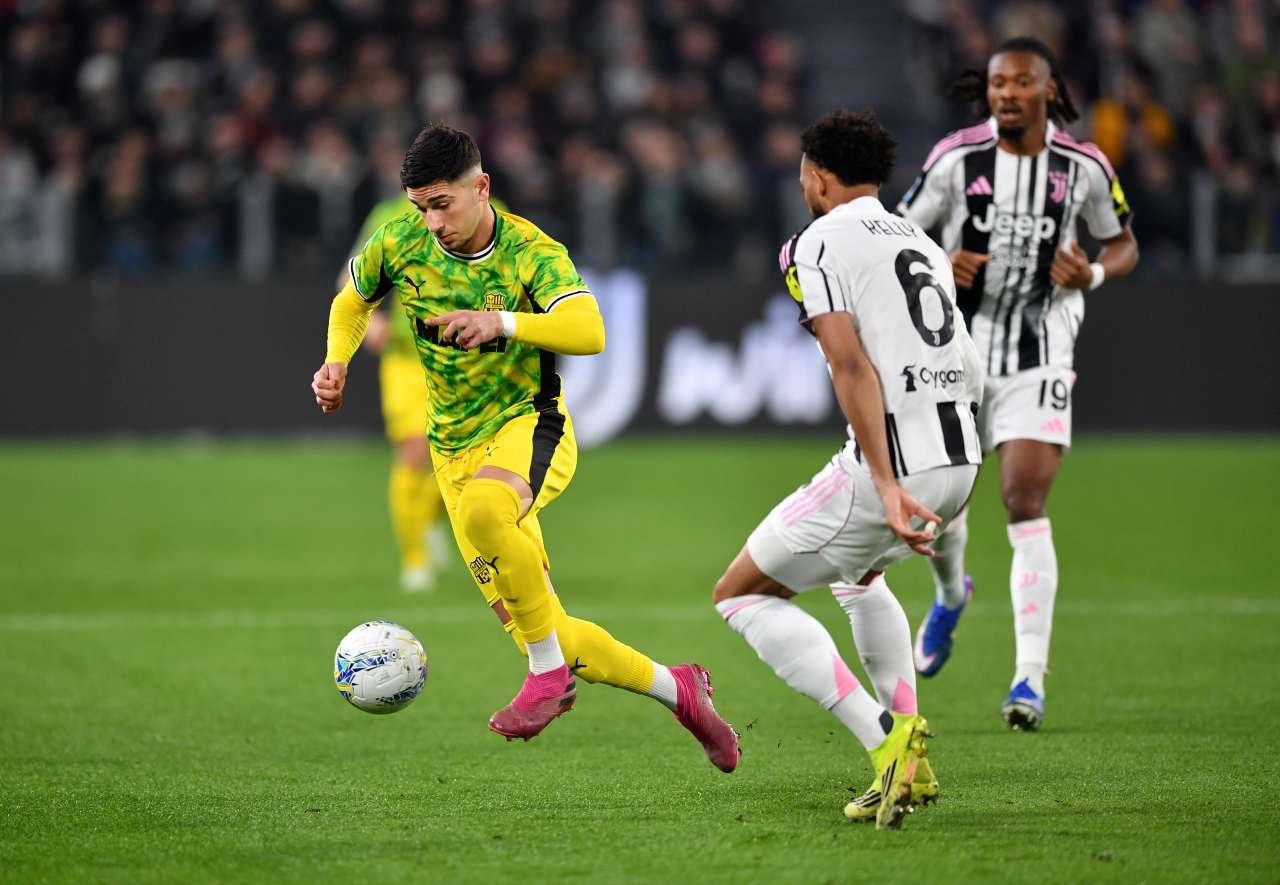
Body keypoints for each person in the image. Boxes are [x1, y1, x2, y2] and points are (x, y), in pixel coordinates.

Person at [311, 124, 739, 770]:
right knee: (554, 632)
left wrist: (503, 322)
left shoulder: (529, 251)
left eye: (442, 204)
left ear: (481, 187)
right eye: (421, 207)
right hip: (451, 450)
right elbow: (352, 302)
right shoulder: (398, 241)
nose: (433, 223)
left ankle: (546, 678)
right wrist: (336, 360)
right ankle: (679, 690)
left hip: (528, 426)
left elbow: (589, 330)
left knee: (488, 518)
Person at [712, 110, 983, 829]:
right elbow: (965, 360)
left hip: (896, 468)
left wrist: (888, 484)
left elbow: (848, 362)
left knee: (739, 594)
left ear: (818, 177)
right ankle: (910, 747)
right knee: (858, 577)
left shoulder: (818, 240)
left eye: (804, 174)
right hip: (960, 458)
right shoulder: (921, 241)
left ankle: (885, 742)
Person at [897, 36, 1139, 731]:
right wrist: (940, 260)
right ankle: (952, 594)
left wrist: (1093, 272)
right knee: (942, 500)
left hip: (1041, 349)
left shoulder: (1083, 166)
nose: (1007, 93)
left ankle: (1029, 677)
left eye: (1022, 81)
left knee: (1023, 498)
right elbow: (898, 234)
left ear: (1048, 89)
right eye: (998, 82)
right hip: (956, 349)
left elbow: (1123, 240)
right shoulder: (956, 158)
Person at [341, 138, 447, 592]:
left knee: (458, 460)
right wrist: (373, 319)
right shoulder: (388, 217)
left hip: (467, 357)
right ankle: (415, 558)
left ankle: (432, 517)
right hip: (407, 357)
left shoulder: (487, 210)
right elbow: (351, 276)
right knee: (413, 450)